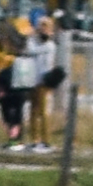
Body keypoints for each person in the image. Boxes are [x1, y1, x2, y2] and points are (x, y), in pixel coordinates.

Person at [21, 16, 61, 153]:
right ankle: (34, 139)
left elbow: (45, 56)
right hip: (32, 79)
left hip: (44, 80)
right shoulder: (33, 41)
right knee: (33, 110)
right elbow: (29, 51)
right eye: (41, 26)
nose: (43, 29)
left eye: (46, 26)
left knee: (43, 111)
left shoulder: (50, 44)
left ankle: (46, 139)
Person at [0, 16, 32, 149]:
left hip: (14, 90)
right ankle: (15, 138)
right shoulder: (10, 70)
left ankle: (15, 139)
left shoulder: (11, 69)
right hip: (14, 90)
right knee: (14, 117)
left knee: (14, 117)